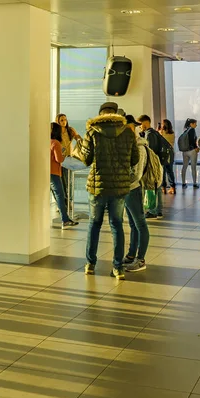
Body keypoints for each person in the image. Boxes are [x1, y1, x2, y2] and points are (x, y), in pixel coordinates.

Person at [79, 101, 139, 280]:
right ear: (116, 113)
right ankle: (118, 268)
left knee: (94, 224)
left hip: (98, 186)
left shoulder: (92, 132)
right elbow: (134, 159)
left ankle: (90, 264)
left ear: (100, 114)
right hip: (120, 187)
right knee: (117, 225)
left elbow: (86, 160)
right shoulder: (127, 132)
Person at [123, 115, 150, 272]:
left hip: (133, 188)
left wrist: (122, 181)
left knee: (140, 223)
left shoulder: (138, 147)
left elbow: (136, 174)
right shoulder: (129, 144)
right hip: (128, 189)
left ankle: (141, 260)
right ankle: (131, 255)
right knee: (133, 224)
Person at [50, 122, 79, 230]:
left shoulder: (47, 142)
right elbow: (59, 159)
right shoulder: (56, 143)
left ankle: (65, 219)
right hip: (54, 172)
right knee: (60, 196)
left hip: (46, 172)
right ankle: (65, 220)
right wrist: (62, 153)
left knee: (56, 195)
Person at [138, 114, 165, 219]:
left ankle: (153, 211)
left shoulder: (149, 134)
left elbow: (149, 150)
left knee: (151, 186)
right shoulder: (154, 133)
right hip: (157, 163)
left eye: (140, 124)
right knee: (156, 186)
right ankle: (158, 210)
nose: (140, 127)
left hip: (152, 164)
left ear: (145, 123)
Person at [55, 113, 82, 203]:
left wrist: (78, 137)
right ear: (58, 121)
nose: (64, 122)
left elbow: (78, 138)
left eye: (65, 119)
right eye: (62, 120)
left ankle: (69, 201)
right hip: (59, 158)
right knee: (61, 181)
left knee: (68, 181)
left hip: (68, 158)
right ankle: (63, 201)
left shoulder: (70, 130)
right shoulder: (56, 132)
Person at [180, 118, 199, 189]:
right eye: (195, 123)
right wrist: (196, 147)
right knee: (193, 167)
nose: (196, 125)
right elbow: (192, 141)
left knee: (184, 167)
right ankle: (194, 183)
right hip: (192, 151)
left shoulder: (185, 130)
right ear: (191, 124)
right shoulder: (192, 130)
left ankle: (183, 183)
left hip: (185, 151)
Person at [159, 119, 176, 195]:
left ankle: (163, 188)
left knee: (163, 171)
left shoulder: (161, 133)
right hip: (171, 153)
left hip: (163, 153)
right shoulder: (172, 133)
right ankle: (173, 187)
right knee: (170, 171)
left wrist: (158, 130)